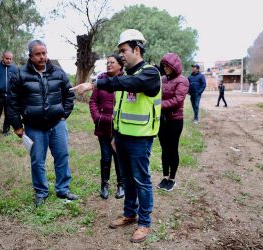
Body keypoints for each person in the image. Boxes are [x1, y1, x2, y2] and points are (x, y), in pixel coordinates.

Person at [71, 29, 161, 243]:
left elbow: (128, 85)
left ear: (136, 50)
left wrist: (94, 84)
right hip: (122, 137)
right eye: (120, 51)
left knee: (141, 180)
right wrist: (115, 135)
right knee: (128, 179)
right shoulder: (126, 75)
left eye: (124, 51)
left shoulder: (149, 74)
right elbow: (120, 108)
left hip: (140, 138)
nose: (121, 55)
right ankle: (130, 213)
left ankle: (144, 223)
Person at [7, 40, 78, 207]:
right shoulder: (19, 74)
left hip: (57, 124)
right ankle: (41, 191)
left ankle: (63, 189)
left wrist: (63, 115)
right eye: (38, 54)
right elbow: (12, 102)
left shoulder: (58, 73)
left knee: (62, 156)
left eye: (44, 53)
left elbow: (69, 95)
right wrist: (17, 125)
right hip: (34, 126)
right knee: (37, 160)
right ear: (30, 56)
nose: (42, 57)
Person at [89, 54, 125, 199]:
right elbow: (92, 101)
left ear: (120, 65)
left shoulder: (125, 81)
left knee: (119, 157)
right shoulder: (101, 80)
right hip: (103, 126)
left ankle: (121, 185)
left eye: (112, 62)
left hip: (120, 128)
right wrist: (97, 117)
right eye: (107, 62)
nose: (109, 65)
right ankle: (104, 185)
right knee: (105, 157)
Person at [156, 53, 189, 192]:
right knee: (164, 149)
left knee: (172, 148)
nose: (165, 67)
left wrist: (157, 105)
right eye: (163, 65)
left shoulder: (183, 80)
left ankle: (172, 179)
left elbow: (177, 100)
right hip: (162, 120)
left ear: (174, 66)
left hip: (175, 120)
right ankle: (164, 177)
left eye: (167, 65)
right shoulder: (162, 79)